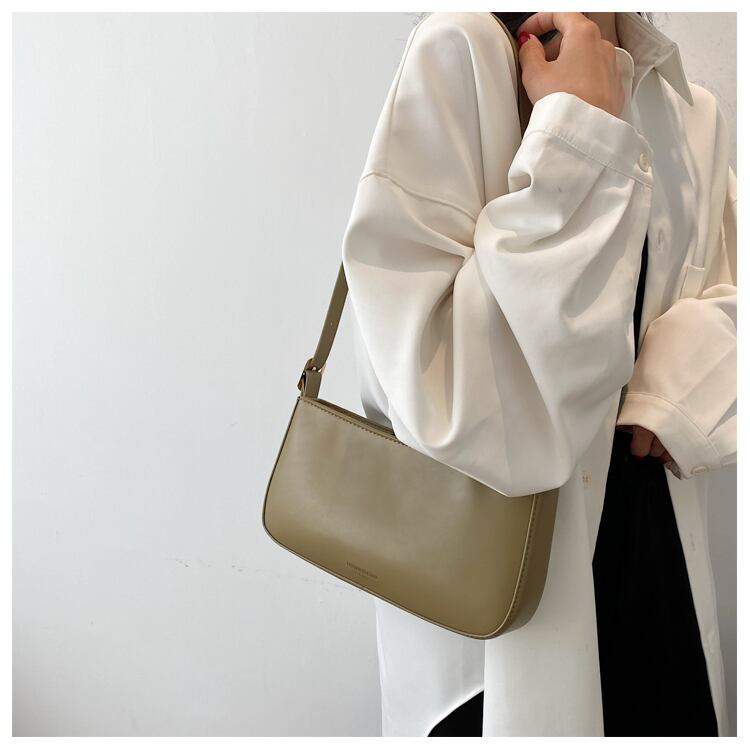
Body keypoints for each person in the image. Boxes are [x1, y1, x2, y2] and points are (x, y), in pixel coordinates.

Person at [341, 11, 736, 737]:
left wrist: (679, 390)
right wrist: (580, 133)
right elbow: (440, 388)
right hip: (499, 610)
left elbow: (726, 290)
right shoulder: (462, 51)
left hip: (655, 564)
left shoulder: (688, 107)